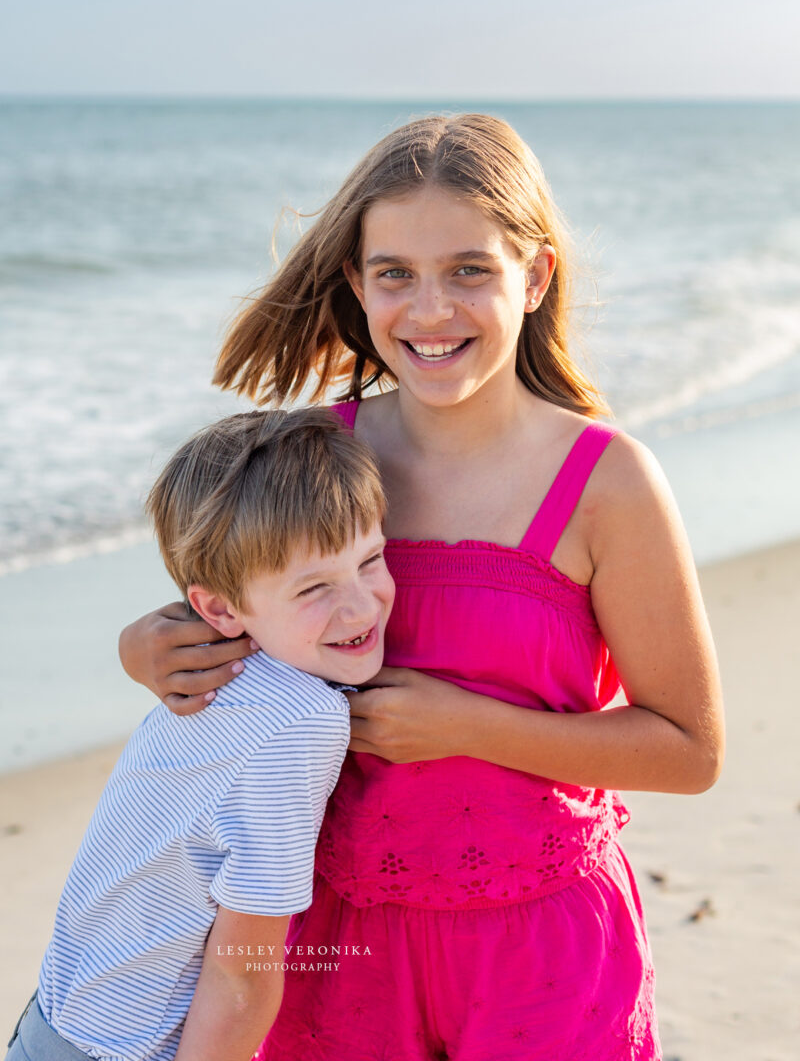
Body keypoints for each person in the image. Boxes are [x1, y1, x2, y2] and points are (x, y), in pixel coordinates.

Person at [119, 113, 725, 1061]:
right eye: (395, 272)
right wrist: (144, 648)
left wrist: (469, 727)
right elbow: (230, 608)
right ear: (357, 285)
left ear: (536, 277)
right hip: (330, 937)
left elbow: (690, 750)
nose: (430, 309)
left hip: (540, 942)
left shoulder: (608, 483)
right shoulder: (315, 453)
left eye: (470, 271)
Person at [6, 408, 394, 1061]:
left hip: (53, 1018)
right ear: (218, 607)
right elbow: (242, 967)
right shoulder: (301, 721)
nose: (360, 604)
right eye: (315, 588)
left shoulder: (212, 673)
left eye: (372, 559)